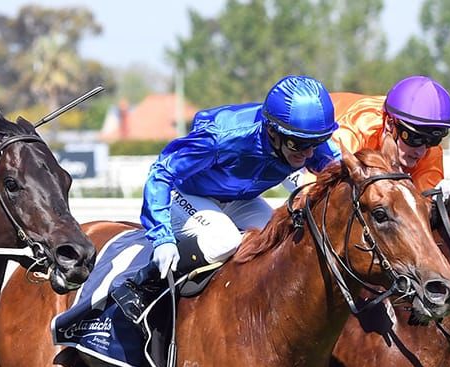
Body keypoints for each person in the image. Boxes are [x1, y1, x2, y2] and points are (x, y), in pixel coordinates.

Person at [110, 75, 341, 323]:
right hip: (187, 194)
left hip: (240, 200)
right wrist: (162, 238)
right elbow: (161, 173)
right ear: (272, 131)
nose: (308, 153)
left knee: (282, 237)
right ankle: (142, 283)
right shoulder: (220, 138)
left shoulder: (305, 139)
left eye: (316, 143)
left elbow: (342, 169)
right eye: (298, 144)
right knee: (223, 240)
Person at [329, 75, 450, 194]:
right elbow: (317, 189)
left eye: (433, 140)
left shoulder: (430, 151)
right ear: (390, 124)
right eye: (414, 138)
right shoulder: (358, 129)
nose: (421, 151)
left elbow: (423, 201)